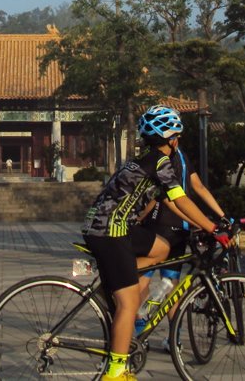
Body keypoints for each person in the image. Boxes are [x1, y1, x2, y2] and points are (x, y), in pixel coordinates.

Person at [81, 106, 231, 381]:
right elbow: (182, 198)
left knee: (161, 249)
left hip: (113, 226)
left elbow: (170, 200)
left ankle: (116, 278)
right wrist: (213, 228)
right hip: (109, 232)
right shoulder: (160, 163)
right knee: (128, 304)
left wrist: (201, 226)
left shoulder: (146, 162)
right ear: (172, 139)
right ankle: (115, 373)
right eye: (178, 138)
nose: (179, 143)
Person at [138, 139, 233, 351]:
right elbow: (198, 187)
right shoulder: (180, 154)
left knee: (143, 278)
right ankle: (174, 339)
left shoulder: (157, 155)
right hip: (179, 227)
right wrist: (222, 216)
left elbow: (161, 198)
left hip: (158, 224)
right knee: (171, 284)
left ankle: (139, 329)